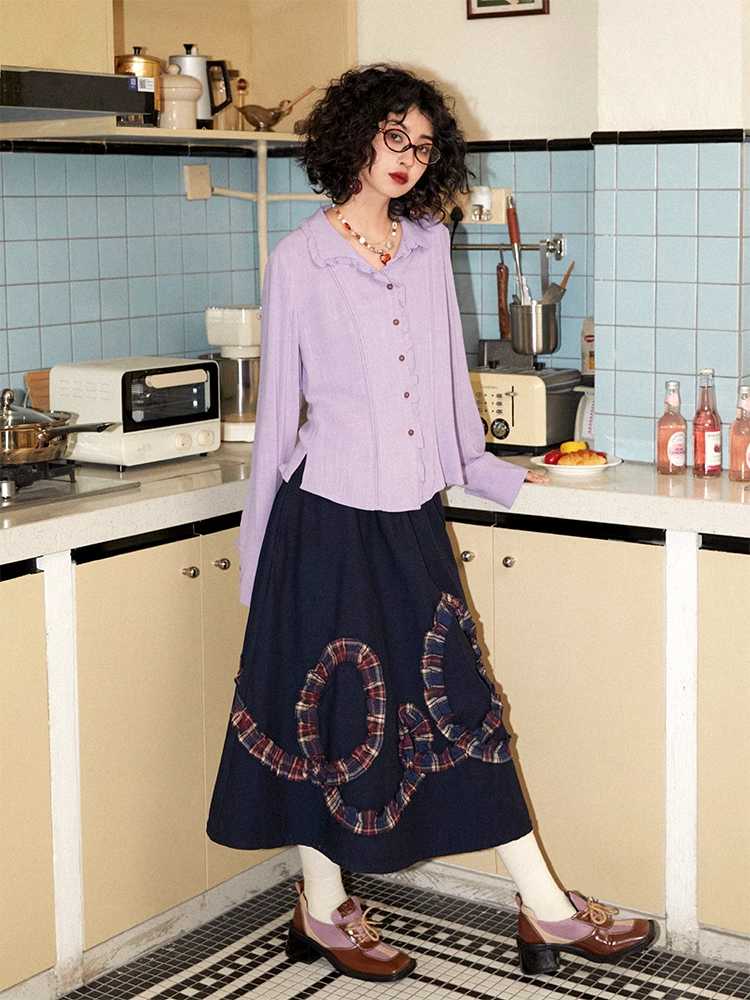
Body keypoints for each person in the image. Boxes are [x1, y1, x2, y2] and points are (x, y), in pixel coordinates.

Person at [206, 64, 656, 981]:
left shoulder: (426, 247)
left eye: (421, 144)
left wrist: (509, 479)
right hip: (323, 523)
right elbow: (279, 418)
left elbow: (449, 391)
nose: (406, 158)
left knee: (465, 706)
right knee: (328, 715)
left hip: (409, 521)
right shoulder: (300, 260)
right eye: (391, 138)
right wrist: (257, 564)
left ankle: (542, 907)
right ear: (354, 138)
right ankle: (326, 905)